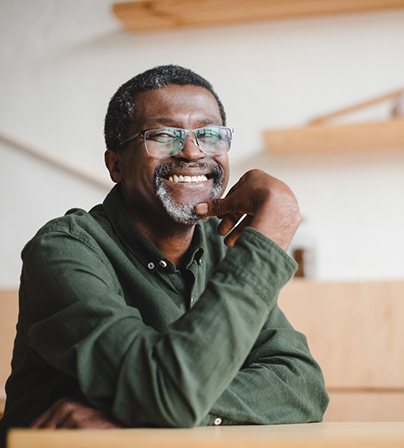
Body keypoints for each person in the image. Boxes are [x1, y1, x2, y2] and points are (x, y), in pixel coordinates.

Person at [0, 65, 328, 445]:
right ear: (116, 164)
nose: (192, 151)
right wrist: (270, 233)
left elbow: (302, 386)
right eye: (163, 136)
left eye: (209, 134)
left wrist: (148, 413)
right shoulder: (63, 250)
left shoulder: (222, 247)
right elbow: (168, 392)